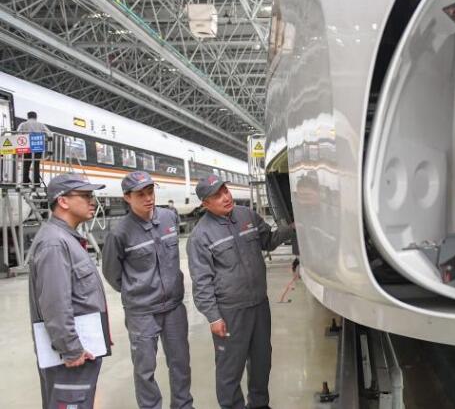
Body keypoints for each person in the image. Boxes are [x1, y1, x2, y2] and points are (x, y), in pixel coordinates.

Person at [187, 174, 294, 409]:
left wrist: (293, 228)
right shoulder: (200, 236)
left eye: (225, 190)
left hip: (259, 304)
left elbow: (269, 240)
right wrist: (213, 317)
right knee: (230, 367)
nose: (226, 197)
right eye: (217, 196)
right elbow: (201, 282)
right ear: (205, 204)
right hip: (230, 312)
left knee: (262, 360)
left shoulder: (247, 215)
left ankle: (259, 404)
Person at [101, 171, 194, 409]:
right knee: (145, 370)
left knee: (180, 363)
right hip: (142, 312)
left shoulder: (169, 217)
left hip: (173, 307)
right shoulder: (120, 233)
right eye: (140, 194)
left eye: (150, 191)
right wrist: (137, 290)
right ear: (127, 198)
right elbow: (112, 273)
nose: (148, 198)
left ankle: (183, 405)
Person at [28, 173, 107, 408]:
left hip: (81, 349)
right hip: (71, 357)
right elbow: (55, 304)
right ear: (63, 201)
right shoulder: (54, 243)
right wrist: (71, 349)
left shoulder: (66, 238)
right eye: (85, 195)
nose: (92, 201)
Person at [17, 111, 52, 185]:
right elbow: (49, 133)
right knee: (36, 164)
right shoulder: (41, 125)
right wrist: (47, 139)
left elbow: (18, 133)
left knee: (26, 164)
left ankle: (25, 181)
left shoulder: (23, 124)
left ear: (28, 117)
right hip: (38, 146)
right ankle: (37, 182)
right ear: (36, 117)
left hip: (27, 147)